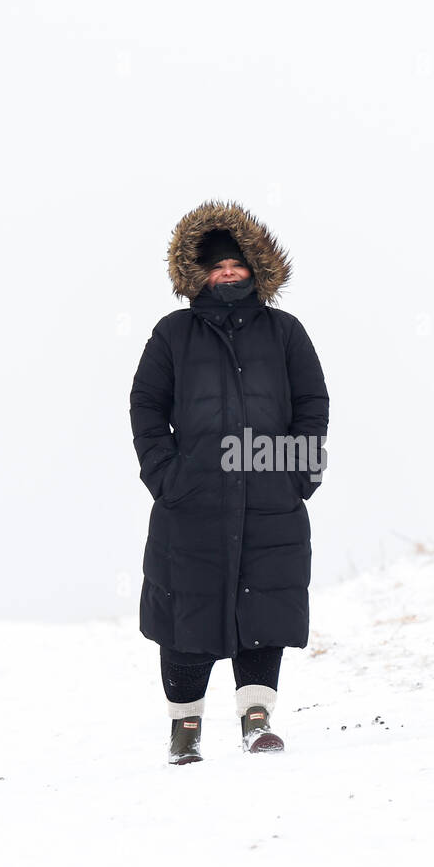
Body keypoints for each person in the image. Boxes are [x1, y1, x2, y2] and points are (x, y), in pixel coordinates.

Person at [129, 200, 330, 764]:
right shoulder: (173, 334)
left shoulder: (286, 332)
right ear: (197, 272)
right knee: (185, 609)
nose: (226, 272)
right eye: (215, 264)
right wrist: (166, 476)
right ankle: (184, 732)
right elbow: (146, 406)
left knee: (264, 608)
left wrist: (299, 476)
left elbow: (313, 405)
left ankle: (256, 720)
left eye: (236, 262)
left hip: (271, 495)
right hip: (191, 501)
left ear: (256, 268)